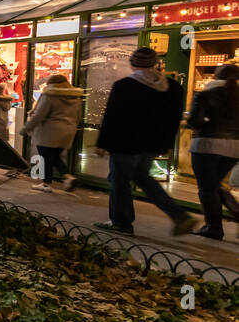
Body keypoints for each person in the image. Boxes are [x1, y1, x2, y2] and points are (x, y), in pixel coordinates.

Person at [94, 47, 196, 236]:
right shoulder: (174, 88)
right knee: (143, 178)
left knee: (119, 180)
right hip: (151, 144)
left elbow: (113, 116)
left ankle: (121, 222)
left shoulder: (124, 85)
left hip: (125, 143)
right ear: (154, 63)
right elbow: (173, 119)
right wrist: (165, 144)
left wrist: (102, 142)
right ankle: (179, 215)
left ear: (132, 64)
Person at [186, 63, 239, 239]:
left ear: (216, 76)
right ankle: (234, 211)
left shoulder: (205, 94)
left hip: (206, 145)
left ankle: (213, 228)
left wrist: (206, 124)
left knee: (207, 188)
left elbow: (194, 120)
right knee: (213, 184)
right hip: (234, 148)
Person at [23, 74, 82, 193]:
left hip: (49, 131)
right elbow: (79, 116)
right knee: (54, 157)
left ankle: (46, 184)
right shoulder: (75, 97)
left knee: (46, 157)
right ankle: (68, 177)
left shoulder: (49, 95)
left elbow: (39, 115)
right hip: (67, 131)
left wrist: (26, 128)